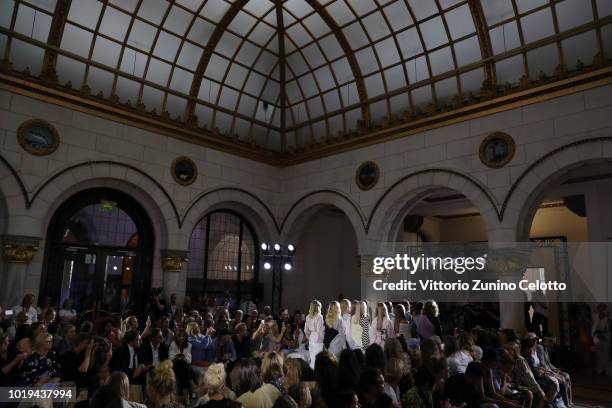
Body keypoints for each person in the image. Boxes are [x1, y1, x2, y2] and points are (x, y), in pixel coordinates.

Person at [304, 300, 324, 369]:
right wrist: (322, 341)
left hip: (311, 339)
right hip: (318, 340)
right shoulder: (319, 317)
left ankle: (311, 375)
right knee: (317, 360)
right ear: (318, 307)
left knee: (313, 359)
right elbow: (319, 332)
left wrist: (309, 337)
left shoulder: (307, 316)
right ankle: (314, 376)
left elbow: (305, 330)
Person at [593, 303, 610, 376]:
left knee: (606, 354)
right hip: (597, 337)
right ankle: (599, 370)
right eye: (599, 308)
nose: (600, 309)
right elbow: (594, 327)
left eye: (602, 308)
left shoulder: (608, 317)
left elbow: (608, 328)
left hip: (606, 337)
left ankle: (606, 370)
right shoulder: (596, 316)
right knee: (598, 354)